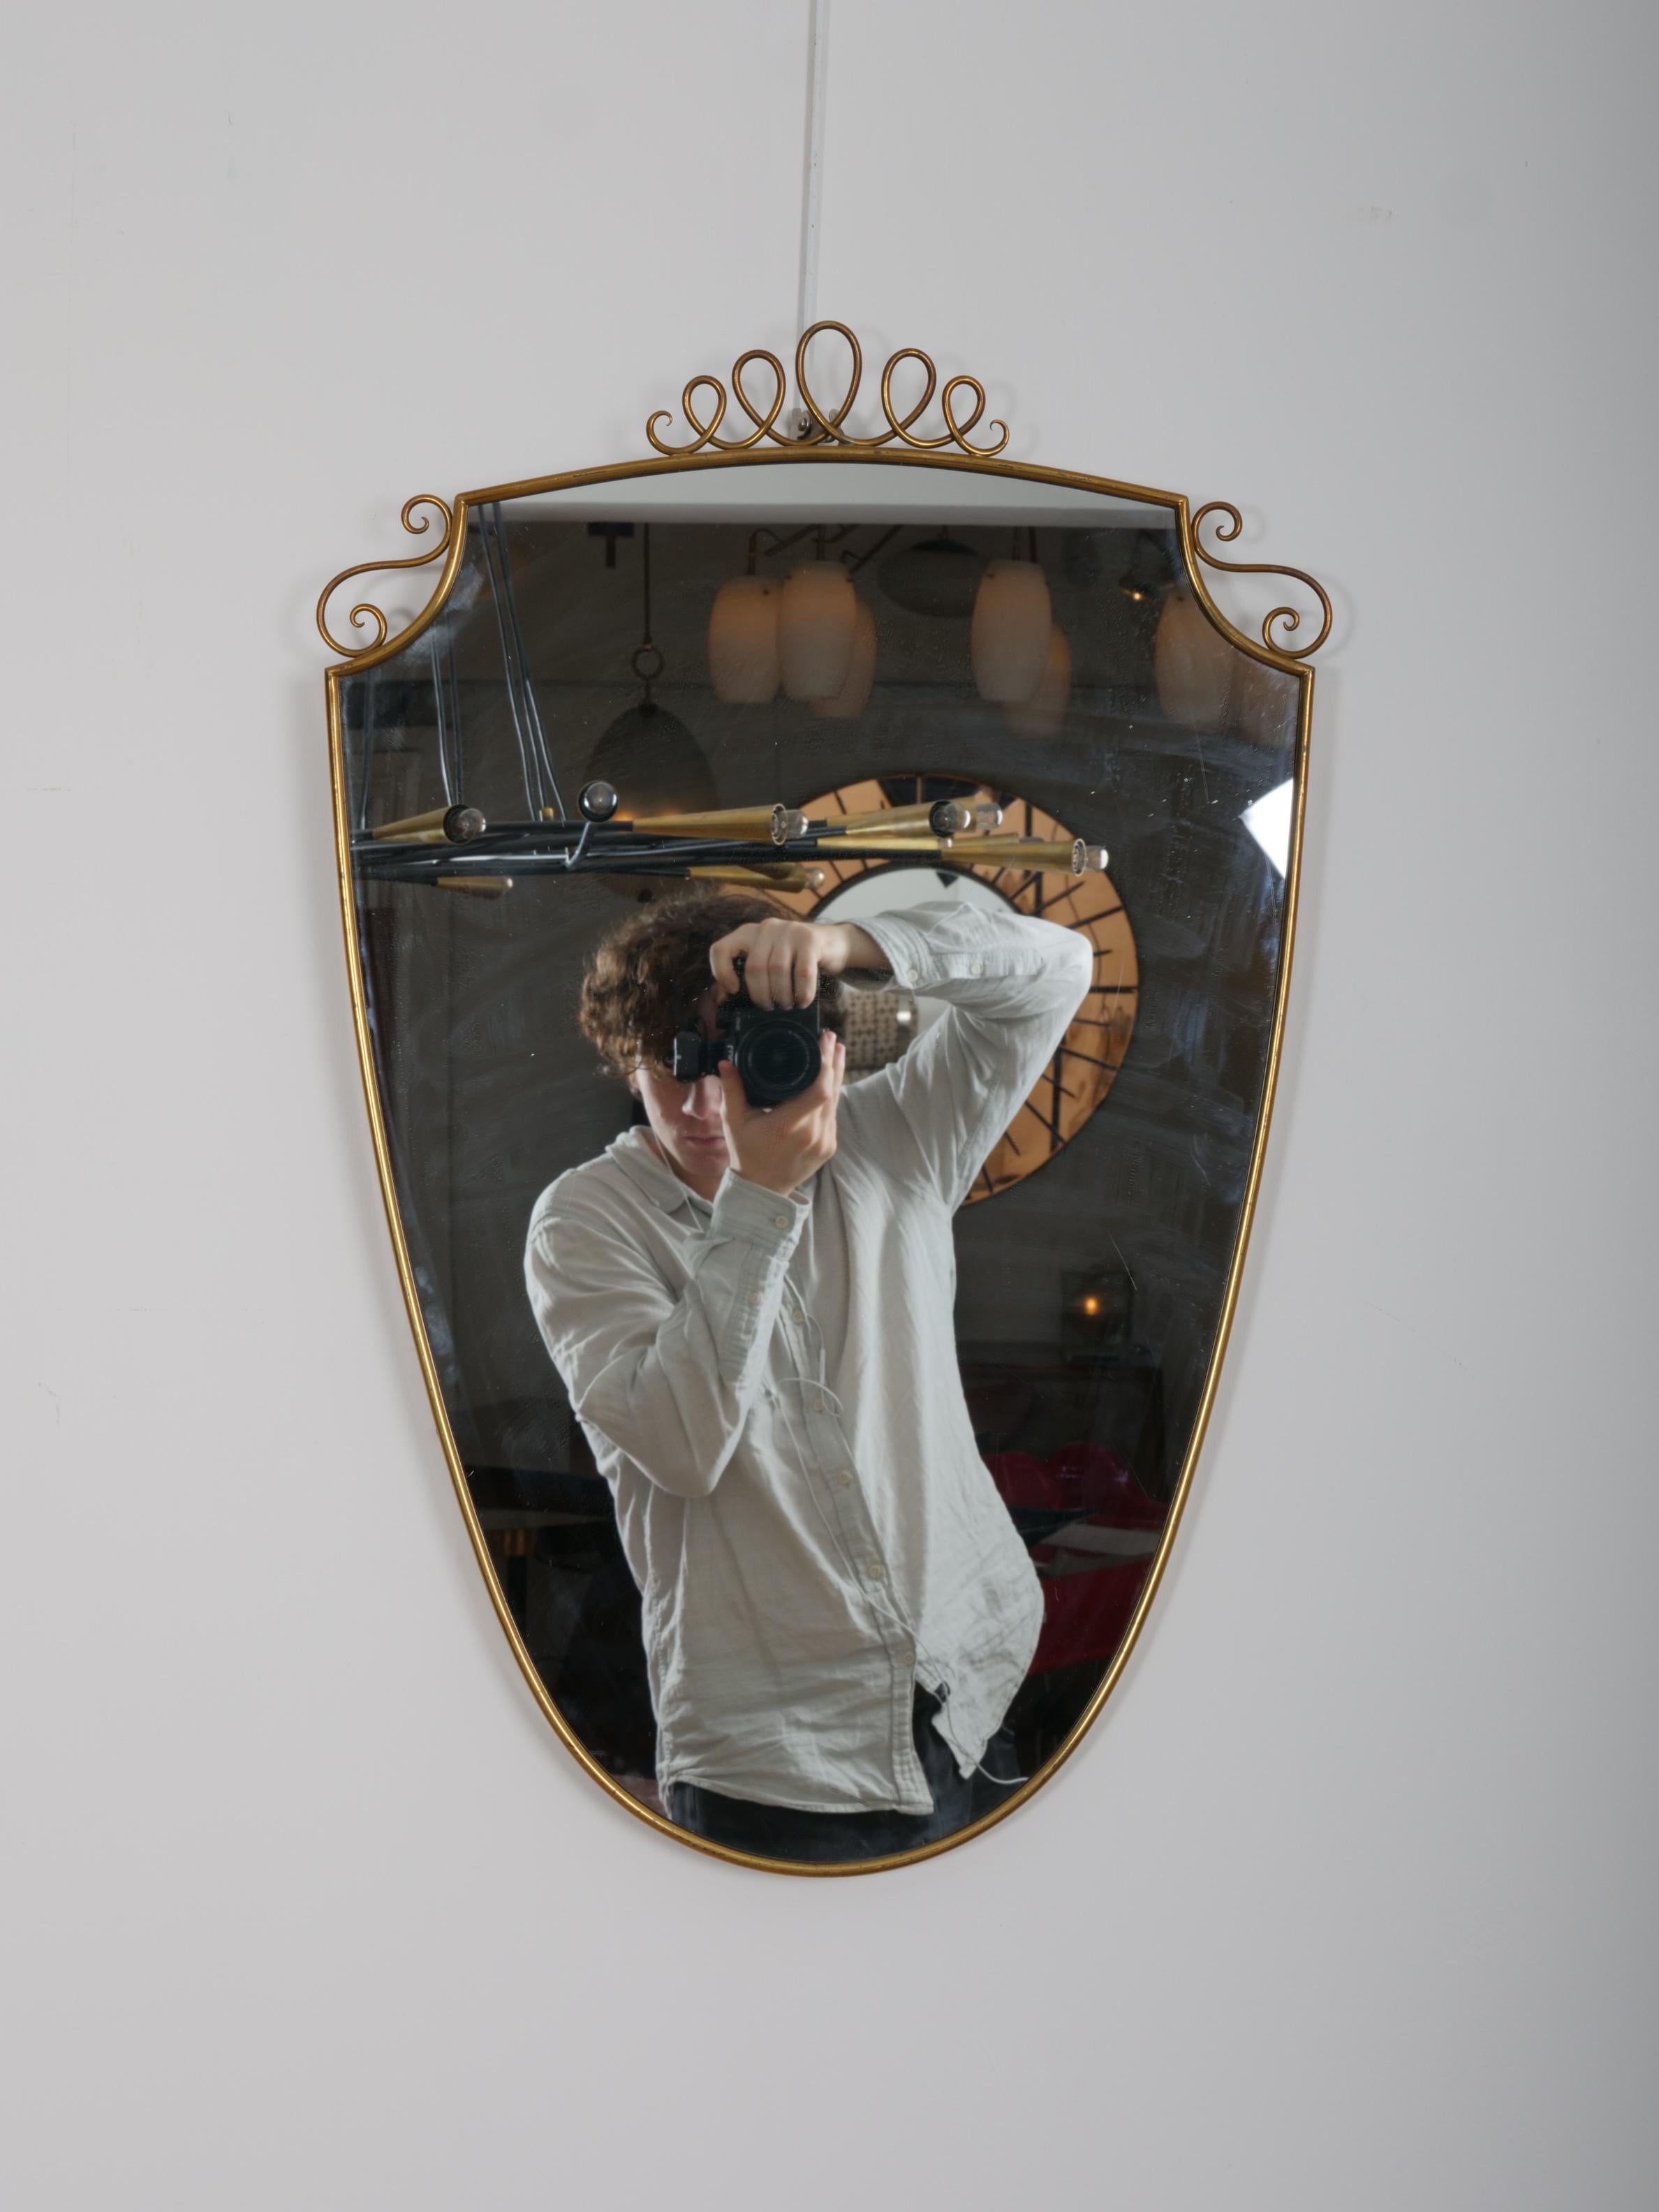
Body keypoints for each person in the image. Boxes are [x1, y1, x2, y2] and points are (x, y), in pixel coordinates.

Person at [524, 883, 1093, 1861]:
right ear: (627, 1059)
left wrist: (848, 944)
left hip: (971, 1678)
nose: (707, 1102)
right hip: (778, 1753)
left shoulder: (898, 1136)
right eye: (675, 1062)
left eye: (736, 1055)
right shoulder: (584, 1221)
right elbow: (681, 1444)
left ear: (818, 1043)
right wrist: (762, 1197)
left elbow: (1060, 970)